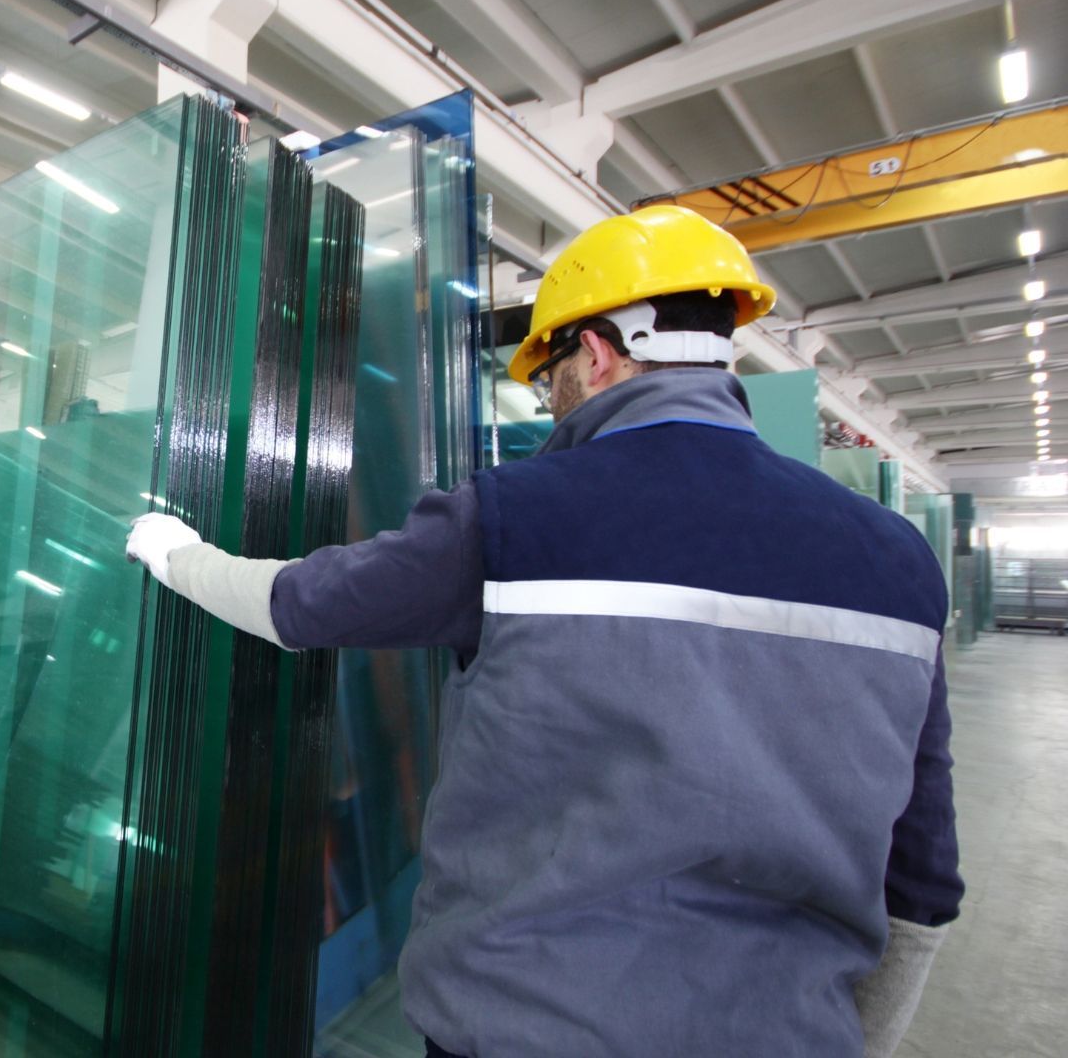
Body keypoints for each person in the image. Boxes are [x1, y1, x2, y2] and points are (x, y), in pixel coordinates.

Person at [124, 206, 963, 1058]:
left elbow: (299, 605)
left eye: (548, 374)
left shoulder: (516, 518)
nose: (550, 399)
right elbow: (924, 878)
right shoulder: (899, 560)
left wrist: (175, 553)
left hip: (525, 1027)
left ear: (594, 352)